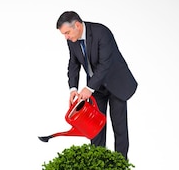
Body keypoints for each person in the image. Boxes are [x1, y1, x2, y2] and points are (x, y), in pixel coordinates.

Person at [56, 11, 137, 160]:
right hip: (97, 87)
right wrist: (73, 88)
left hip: (116, 83)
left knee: (119, 127)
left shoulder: (102, 32)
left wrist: (89, 88)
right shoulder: (71, 40)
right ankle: (98, 166)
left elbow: (105, 64)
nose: (66, 37)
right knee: (95, 127)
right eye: (64, 34)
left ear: (77, 25)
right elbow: (73, 64)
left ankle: (121, 167)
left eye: (67, 32)